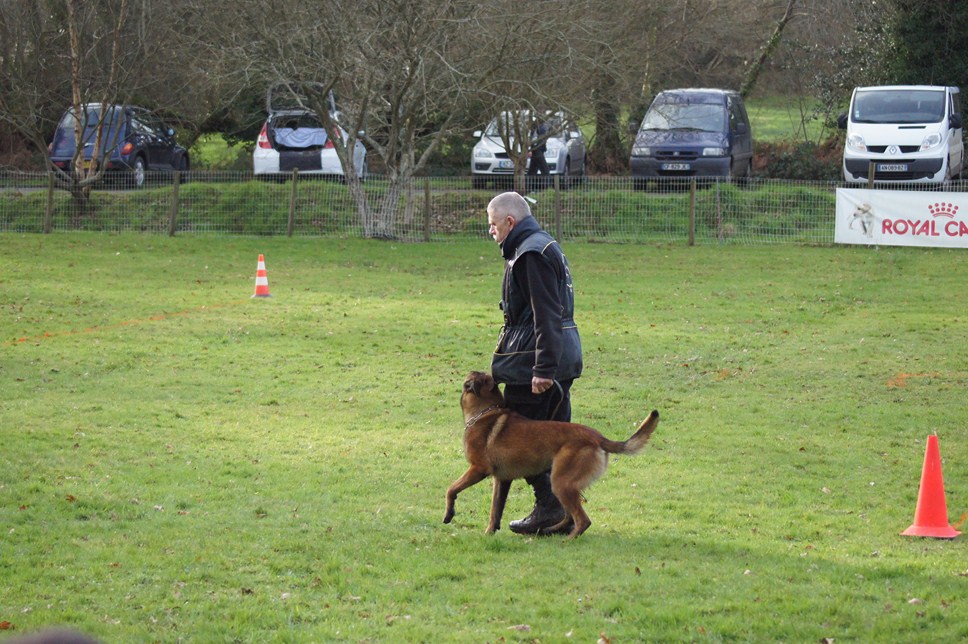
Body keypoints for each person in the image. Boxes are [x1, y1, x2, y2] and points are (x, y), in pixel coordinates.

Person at [486, 191, 583, 534]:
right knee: (555, 442)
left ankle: (549, 508)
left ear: (510, 222)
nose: (491, 231)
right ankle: (564, 509)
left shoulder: (529, 255)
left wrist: (543, 369)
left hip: (533, 363)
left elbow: (546, 315)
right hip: (558, 355)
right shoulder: (542, 245)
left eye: (493, 224)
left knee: (520, 444)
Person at [527, 115, 551, 187]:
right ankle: (546, 189)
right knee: (545, 170)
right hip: (537, 151)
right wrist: (531, 149)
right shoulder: (538, 128)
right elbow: (534, 140)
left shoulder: (537, 127)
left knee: (532, 171)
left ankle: (529, 188)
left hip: (537, 150)